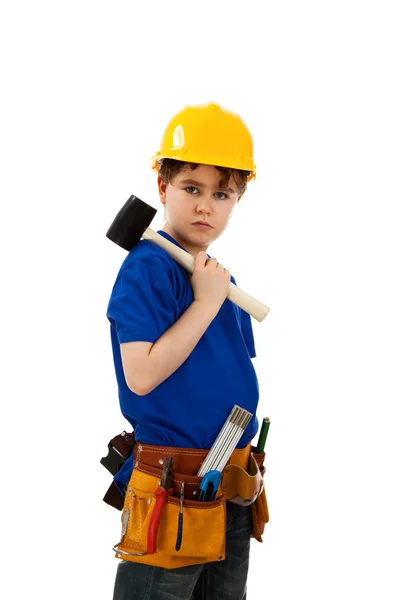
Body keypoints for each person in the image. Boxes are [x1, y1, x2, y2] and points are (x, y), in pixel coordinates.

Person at [106, 101, 267, 600]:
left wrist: (213, 293)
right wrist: (204, 303)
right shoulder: (149, 269)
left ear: (237, 199)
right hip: (171, 487)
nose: (205, 206)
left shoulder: (218, 279)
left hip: (231, 482)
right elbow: (142, 375)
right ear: (162, 188)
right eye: (191, 188)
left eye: (222, 193)